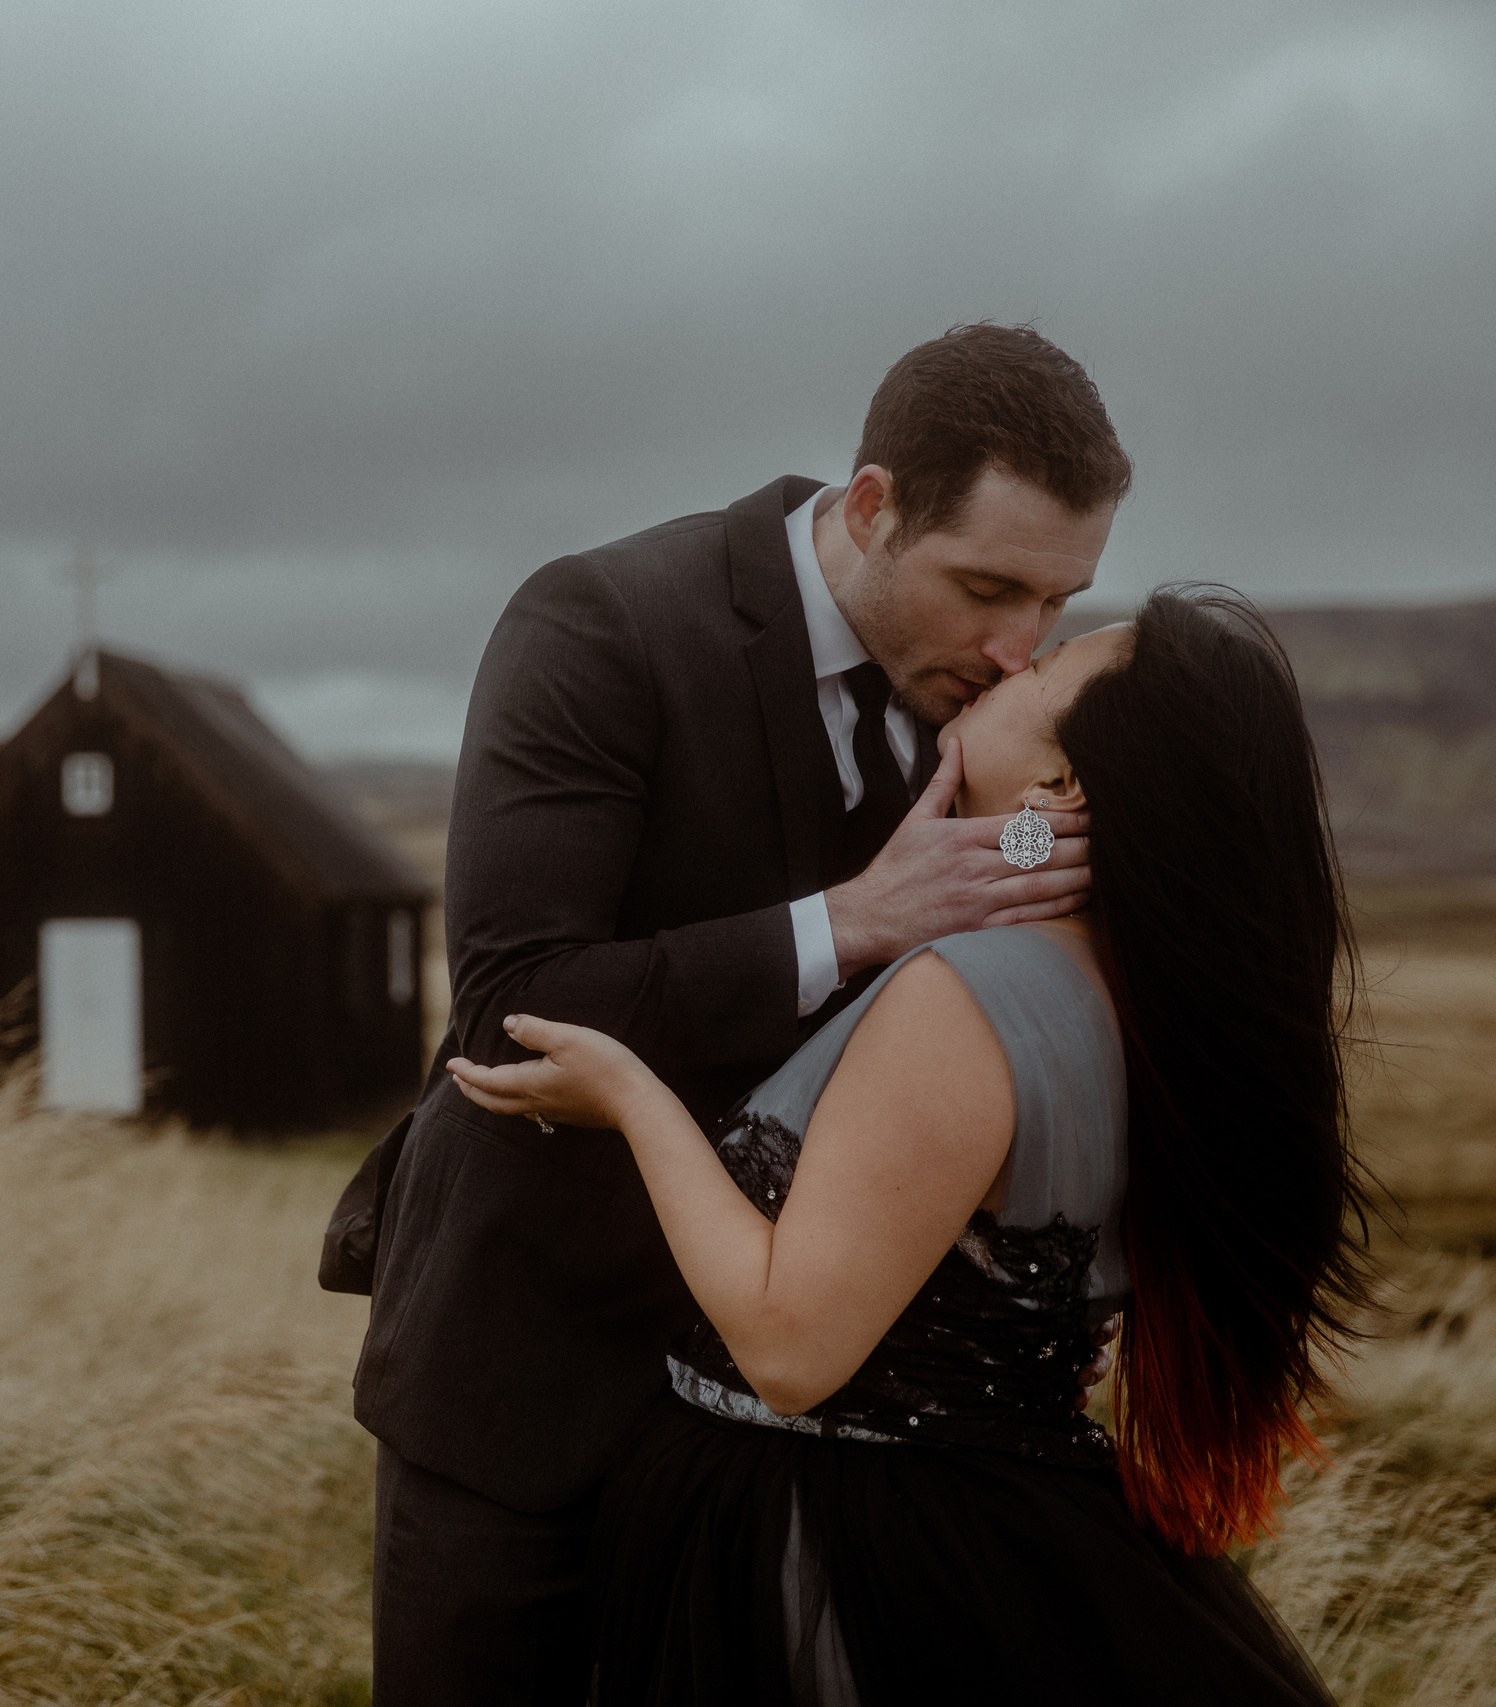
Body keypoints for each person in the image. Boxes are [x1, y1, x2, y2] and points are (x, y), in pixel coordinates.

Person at [329, 325, 1134, 1702]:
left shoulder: (988, 712)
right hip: (534, 1383)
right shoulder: (599, 624)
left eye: (1058, 604)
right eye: (989, 586)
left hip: (805, 1432)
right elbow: (513, 1002)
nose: (1019, 650)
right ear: (874, 507)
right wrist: (858, 920)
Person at [448, 588, 1371, 1702]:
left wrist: (632, 1096)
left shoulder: (970, 996)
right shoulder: (1117, 991)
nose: (1018, 654)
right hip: (984, 1536)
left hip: (825, 1543)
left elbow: (790, 1353)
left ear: (1061, 788)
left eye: (1053, 660)